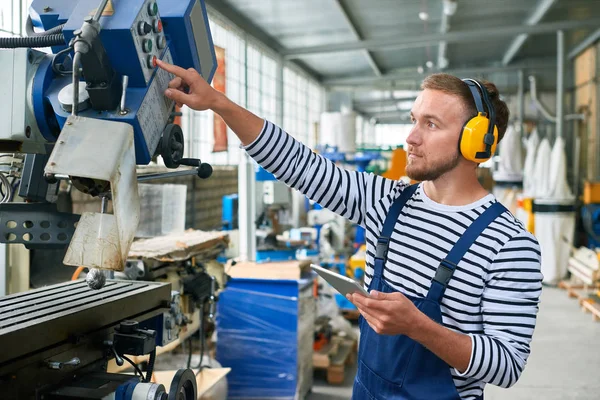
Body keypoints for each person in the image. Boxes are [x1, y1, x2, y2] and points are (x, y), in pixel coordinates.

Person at [156, 59, 542, 400]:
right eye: (413, 120)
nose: (411, 137)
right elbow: (301, 164)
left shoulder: (509, 244)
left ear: (476, 141)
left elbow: (507, 366)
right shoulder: (386, 201)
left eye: (431, 124)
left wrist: (418, 327)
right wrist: (219, 103)